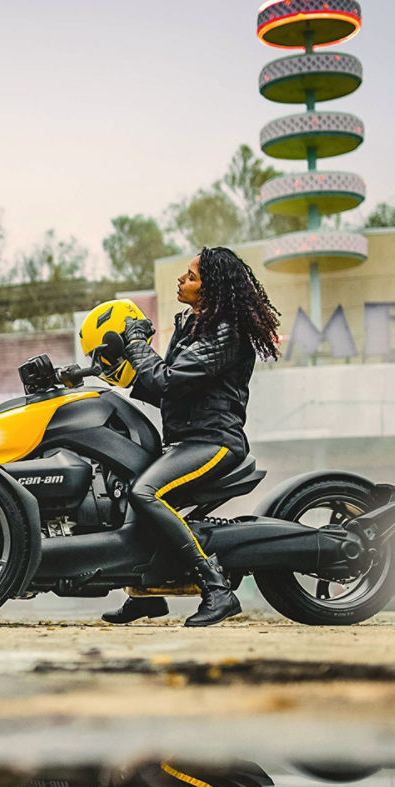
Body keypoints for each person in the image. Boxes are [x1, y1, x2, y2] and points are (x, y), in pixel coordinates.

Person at [88, 247, 281, 627]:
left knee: (146, 493)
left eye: (191, 276)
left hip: (214, 442)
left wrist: (136, 343)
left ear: (213, 289)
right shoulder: (192, 324)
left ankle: (217, 589)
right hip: (186, 439)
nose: (182, 279)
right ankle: (147, 594)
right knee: (129, 490)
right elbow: (162, 389)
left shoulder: (226, 332)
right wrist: (109, 372)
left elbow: (167, 380)